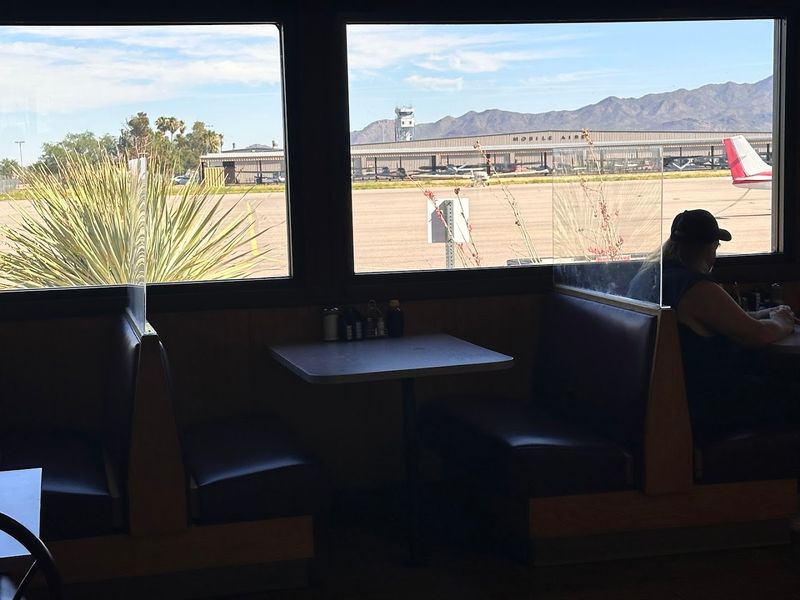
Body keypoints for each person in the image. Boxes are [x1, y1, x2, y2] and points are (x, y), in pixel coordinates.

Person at [628, 209, 799, 435]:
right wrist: (783, 323)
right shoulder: (696, 288)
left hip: (663, 399)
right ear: (709, 248)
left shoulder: (650, 277)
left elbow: (718, 320)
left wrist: (763, 314)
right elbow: (756, 335)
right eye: (715, 248)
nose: (714, 258)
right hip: (708, 403)